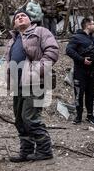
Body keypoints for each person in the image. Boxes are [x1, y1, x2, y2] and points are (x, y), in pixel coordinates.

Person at [5, 9, 59, 162]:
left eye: (23, 15)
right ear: (14, 24)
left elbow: (53, 51)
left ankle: (45, 149)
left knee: (30, 117)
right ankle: (26, 151)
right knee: (19, 119)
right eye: (17, 17)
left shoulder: (40, 31)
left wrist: (38, 70)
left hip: (35, 83)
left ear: (30, 20)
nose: (20, 17)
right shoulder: (12, 40)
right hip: (18, 84)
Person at [66, 17, 94, 125]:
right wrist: (81, 59)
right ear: (87, 25)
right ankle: (78, 116)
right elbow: (69, 50)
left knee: (91, 94)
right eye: (93, 24)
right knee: (79, 94)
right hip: (80, 72)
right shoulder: (77, 37)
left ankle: (90, 115)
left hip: (93, 72)